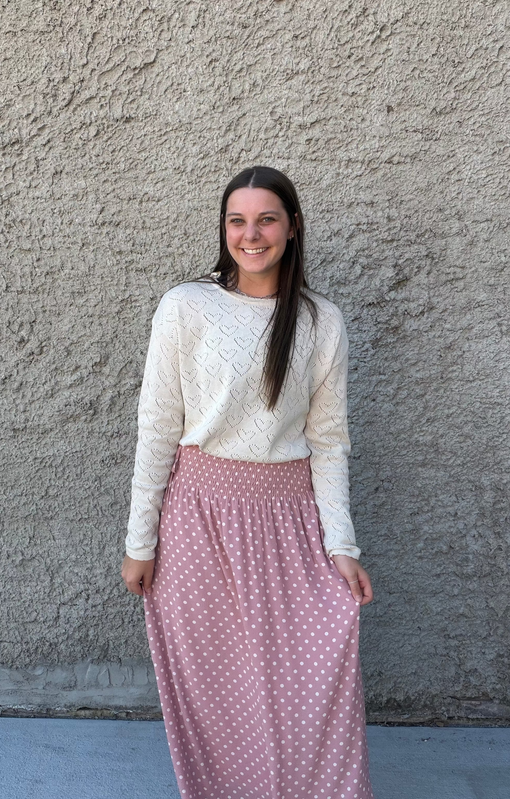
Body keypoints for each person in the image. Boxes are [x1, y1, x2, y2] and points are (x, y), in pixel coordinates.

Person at [121, 165, 375, 799]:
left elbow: (329, 442)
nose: (251, 234)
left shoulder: (321, 321)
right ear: (224, 228)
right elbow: (157, 427)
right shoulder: (187, 307)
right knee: (220, 694)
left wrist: (341, 546)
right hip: (198, 521)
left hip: (291, 522)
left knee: (311, 681)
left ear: (292, 229)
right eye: (238, 220)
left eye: (266, 219)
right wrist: (140, 542)